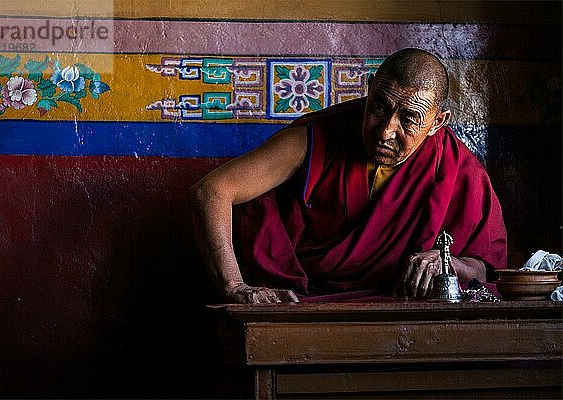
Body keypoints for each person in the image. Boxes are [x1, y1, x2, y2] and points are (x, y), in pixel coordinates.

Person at [190, 48, 507, 304]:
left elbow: (485, 268)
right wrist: (234, 285)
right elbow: (211, 191)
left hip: (404, 310)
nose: (385, 131)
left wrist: (447, 262)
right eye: (380, 108)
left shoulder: (457, 168)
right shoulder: (317, 138)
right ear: (370, 89)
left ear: (439, 121)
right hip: (302, 302)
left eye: (409, 119)